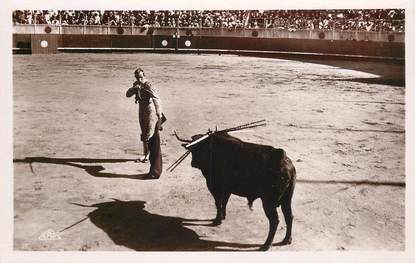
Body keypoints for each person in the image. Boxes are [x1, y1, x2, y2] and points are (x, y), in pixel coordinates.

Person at [126, 68, 163, 179]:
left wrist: (159, 113)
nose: (139, 79)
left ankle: (150, 157)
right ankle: (145, 154)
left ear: (144, 75)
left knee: (149, 134)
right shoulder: (136, 84)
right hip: (141, 111)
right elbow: (127, 94)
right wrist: (134, 88)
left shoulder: (149, 85)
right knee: (144, 133)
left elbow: (157, 99)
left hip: (150, 111)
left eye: (141, 77)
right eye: (137, 77)